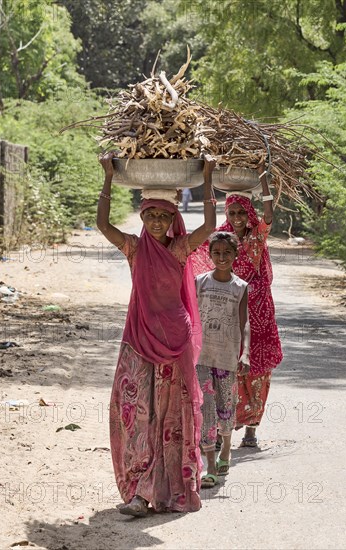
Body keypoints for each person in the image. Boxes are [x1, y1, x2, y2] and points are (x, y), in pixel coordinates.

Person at [97, 152, 216, 517]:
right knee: (135, 413)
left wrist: (208, 175)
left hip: (175, 339)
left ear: (174, 219)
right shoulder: (133, 248)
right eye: (151, 215)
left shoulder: (180, 249)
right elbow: (102, 225)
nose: (158, 222)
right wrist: (106, 177)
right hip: (139, 337)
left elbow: (210, 226)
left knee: (173, 417)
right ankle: (138, 491)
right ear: (143, 216)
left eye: (165, 216)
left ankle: (172, 488)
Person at [192, 164, 283, 448]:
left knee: (256, 370)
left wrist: (264, 180)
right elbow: (197, 252)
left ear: (249, 213)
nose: (238, 218)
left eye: (242, 212)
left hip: (259, 312)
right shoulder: (220, 237)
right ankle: (222, 430)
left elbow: (269, 215)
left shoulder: (257, 235)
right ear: (226, 214)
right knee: (225, 367)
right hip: (228, 309)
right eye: (232, 213)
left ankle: (251, 431)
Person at [195, 232, 250, 488]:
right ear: (210, 255)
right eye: (216, 253)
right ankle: (211, 465)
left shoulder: (240, 287)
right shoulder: (199, 283)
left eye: (227, 253)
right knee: (206, 408)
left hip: (227, 356)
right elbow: (191, 317)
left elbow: (244, 323)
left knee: (225, 407)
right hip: (201, 356)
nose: (221, 257)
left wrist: (246, 353)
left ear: (235, 255)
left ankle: (226, 446)